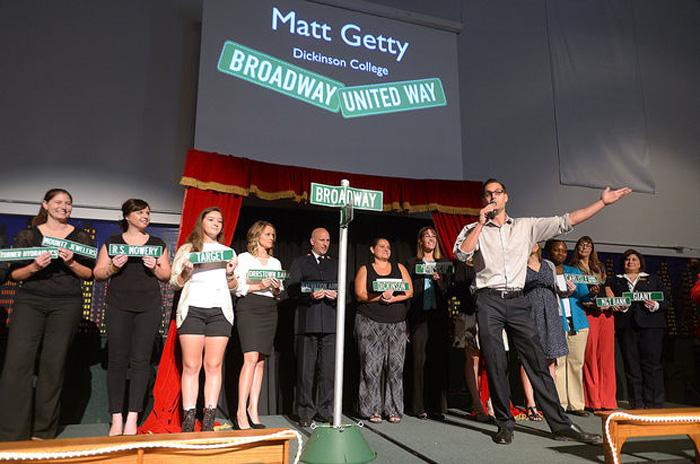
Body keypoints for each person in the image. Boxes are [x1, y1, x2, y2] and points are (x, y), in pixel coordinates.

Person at [453, 177, 630, 445]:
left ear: (506, 197)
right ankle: (504, 423)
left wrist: (602, 203)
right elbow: (461, 254)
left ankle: (560, 425)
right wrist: (479, 223)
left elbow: (566, 220)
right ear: (483, 200)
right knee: (496, 361)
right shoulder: (473, 228)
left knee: (537, 361)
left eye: (497, 192)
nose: (492, 197)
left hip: (517, 299)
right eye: (488, 194)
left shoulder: (526, 226)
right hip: (488, 300)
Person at [0, 188, 94, 441]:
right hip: (30, 300)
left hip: (66, 304)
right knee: (17, 364)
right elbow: (14, 275)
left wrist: (72, 262)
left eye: (68, 203)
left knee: (53, 365)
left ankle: (43, 431)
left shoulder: (81, 237)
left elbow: (90, 274)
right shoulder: (29, 234)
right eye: (58, 202)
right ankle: (11, 432)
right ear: (45, 205)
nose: (64, 207)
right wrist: (33, 266)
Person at [94, 199, 172, 436]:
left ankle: (133, 417)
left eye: (148, 212)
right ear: (127, 216)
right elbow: (98, 273)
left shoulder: (157, 244)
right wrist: (113, 268)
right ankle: (116, 416)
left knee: (141, 362)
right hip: (118, 306)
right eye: (140, 212)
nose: (145, 216)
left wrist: (154, 268)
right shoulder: (113, 242)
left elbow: (166, 274)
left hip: (148, 307)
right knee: (117, 361)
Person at [170, 207, 238, 432]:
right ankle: (188, 418)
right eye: (211, 219)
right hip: (193, 310)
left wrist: (229, 274)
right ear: (201, 222)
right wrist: (186, 272)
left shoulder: (228, 251)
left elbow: (234, 287)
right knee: (191, 365)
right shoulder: (188, 249)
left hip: (219, 311)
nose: (216, 223)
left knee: (214, 364)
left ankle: (208, 418)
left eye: (220, 220)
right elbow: (174, 283)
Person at [354, 238, 413, 423]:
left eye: (388, 247)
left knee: (396, 367)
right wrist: (379, 297)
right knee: (371, 367)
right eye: (382, 246)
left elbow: (409, 291)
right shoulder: (365, 269)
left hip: (397, 323)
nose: (386, 249)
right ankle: (372, 409)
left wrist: (392, 299)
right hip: (370, 321)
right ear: (372, 249)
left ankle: (393, 409)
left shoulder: (400, 268)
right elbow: (360, 294)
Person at [285, 228, 338, 427]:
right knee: (305, 371)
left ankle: (325, 410)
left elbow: (344, 291)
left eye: (328, 240)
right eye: (322, 240)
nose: (325, 243)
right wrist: (309, 295)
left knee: (327, 371)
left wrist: (337, 295)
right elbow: (292, 288)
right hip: (307, 323)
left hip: (330, 323)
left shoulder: (334, 263)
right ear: (312, 241)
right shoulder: (301, 262)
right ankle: (305, 412)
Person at [233, 220, 283, 430]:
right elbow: (236, 287)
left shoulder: (275, 262)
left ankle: (254, 409)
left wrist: (276, 289)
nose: (271, 238)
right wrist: (259, 285)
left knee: (261, 361)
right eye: (268, 234)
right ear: (257, 235)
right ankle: (240, 411)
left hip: (269, 308)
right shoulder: (243, 258)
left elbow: (280, 290)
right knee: (250, 358)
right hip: (249, 307)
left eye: (273, 235)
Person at [607, 249, 666, 408]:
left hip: (651, 327)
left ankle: (654, 403)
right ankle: (636, 403)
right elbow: (609, 300)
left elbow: (666, 300)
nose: (630, 262)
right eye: (627, 259)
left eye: (634, 259)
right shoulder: (615, 281)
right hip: (626, 327)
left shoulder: (653, 279)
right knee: (631, 365)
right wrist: (619, 306)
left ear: (640, 263)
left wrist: (655, 305)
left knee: (652, 365)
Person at [519, 243, 569, 422]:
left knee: (551, 360)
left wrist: (567, 291)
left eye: (535, 240)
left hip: (551, 313)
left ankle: (551, 403)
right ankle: (531, 404)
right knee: (529, 360)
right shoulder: (519, 263)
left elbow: (557, 289)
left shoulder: (548, 264)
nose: (532, 244)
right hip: (530, 313)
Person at [405, 226, 449, 420]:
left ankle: (436, 407)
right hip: (418, 318)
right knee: (418, 361)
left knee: (437, 360)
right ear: (421, 241)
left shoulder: (444, 264)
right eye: (426, 236)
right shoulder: (411, 263)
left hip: (437, 318)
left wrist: (439, 282)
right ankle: (417, 406)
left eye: (433, 236)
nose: (430, 239)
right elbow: (407, 294)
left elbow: (449, 293)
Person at [544, 239, 591, 417]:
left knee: (576, 363)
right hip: (556, 321)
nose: (561, 254)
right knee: (559, 364)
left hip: (577, 321)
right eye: (557, 250)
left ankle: (576, 404)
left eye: (564, 251)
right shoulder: (544, 270)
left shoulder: (573, 271)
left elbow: (584, 293)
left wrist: (592, 291)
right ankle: (560, 404)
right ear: (549, 252)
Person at [570, 236, 617, 411]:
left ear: (592, 248)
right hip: (587, 313)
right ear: (577, 248)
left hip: (606, 314)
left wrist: (615, 303)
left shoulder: (599, 267)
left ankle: (607, 400)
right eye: (581, 244)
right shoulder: (572, 268)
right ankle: (592, 400)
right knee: (589, 357)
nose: (585, 247)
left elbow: (607, 289)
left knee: (606, 357)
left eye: (588, 245)